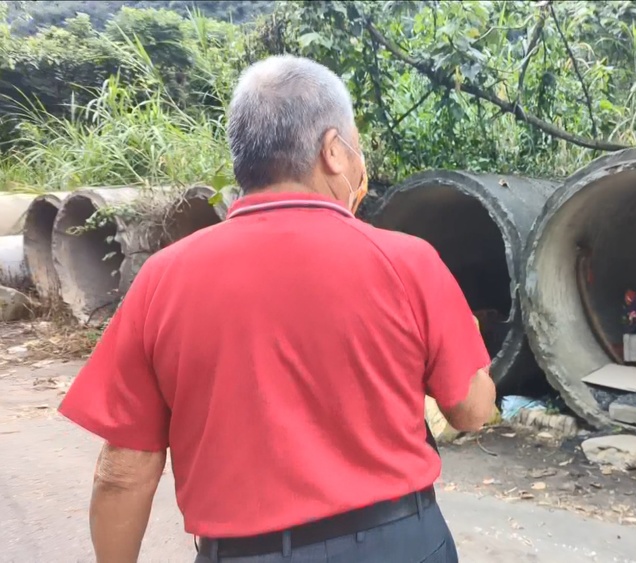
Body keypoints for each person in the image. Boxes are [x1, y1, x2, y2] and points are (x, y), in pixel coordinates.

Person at [57, 55, 498, 563]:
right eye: (356, 152)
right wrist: (473, 346)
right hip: (399, 544)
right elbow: (470, 411)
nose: (362, 170)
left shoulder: (163, 278)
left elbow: (122, 472)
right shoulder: (406, 260)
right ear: (333, 152)